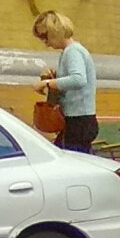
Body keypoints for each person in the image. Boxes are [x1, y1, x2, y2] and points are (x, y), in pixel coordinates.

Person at [32, 11, 98, 153]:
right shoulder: (71, 51)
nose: (45, 42)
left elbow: (78, 79)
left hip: (78, 120)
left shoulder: (72, 52)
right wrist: (54, 78)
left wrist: (48, 83)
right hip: (80, 119)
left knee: (69, 162)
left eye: (45, 36)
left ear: (54, 32)